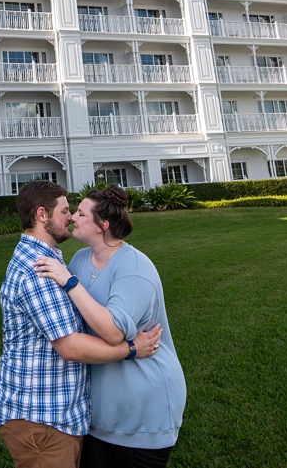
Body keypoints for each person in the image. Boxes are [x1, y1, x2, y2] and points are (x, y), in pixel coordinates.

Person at [0, 180, 163, 468]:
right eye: (65, 210)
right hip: (41, 418)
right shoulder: (38, 270)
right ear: (42, 215)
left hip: (53, 417)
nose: (70, 216)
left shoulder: (52, 262)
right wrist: (132, 348)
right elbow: (71, 347)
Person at [34, 186, 185, 468]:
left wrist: (69, 282)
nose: (73, 218)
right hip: (98, 417)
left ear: (102, 225)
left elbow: (114, 331)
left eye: (81, 213)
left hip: (142, 414)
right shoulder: (79, 260)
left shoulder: (134, 267)